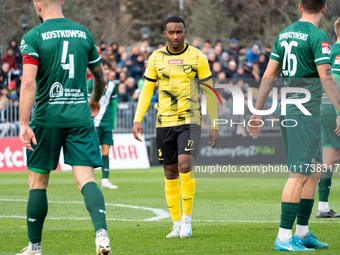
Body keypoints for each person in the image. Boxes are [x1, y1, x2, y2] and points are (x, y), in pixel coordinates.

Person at [18, 0, 111, 254]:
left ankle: (34, 247)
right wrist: (94, 98)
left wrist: (24, 123)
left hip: (47, 119)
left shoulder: (33, 36)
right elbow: (101, 77)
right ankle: (102, 235)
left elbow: (28, 83)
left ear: (37, 4)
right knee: (87, 180)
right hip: (79, 118)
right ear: (61, 1)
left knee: (37, 183)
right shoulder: (83, 33)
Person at [248, 0, 340, 252]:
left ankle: (302, 232)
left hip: (292, 109)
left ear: (300, 7)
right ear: (323, 8)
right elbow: (326, 75)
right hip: (304, 112)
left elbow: (269, 75)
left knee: (314, 170)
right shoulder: (318, 36)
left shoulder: (285, 33)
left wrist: (257, 111)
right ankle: (284, 237)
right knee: (299, 174)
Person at [132, 15, 219, 239]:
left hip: (190, 120)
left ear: (185, 33)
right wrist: (137, 118)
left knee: (184, 165)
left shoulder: (198, 57)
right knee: (169, 172)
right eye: (171, 32)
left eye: (179, 32)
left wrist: (214, 124)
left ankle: (188, 220)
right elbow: (147, 91)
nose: (175, 36)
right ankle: (177, 223)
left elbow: (209, 91)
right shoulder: (156, 57)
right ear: (165, 35)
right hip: (164, 122)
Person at [316, 17, 340, 218]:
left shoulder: (329, 51)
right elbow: (337, 80)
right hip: (335, 107)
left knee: (330, 159)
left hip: (323, 107)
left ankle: (323, 206)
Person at [87, 58, 118, 190]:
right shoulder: (89, 83)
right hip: (92, 122)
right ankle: (89, 180)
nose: (105, 71)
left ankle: (105, 180)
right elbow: (86, 104)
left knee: (106, 150)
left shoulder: (112, 86)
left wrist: (113, 124)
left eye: (107, 69)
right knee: (92, 151)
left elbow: (113, 105)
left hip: (106, 122)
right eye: (103, 68)